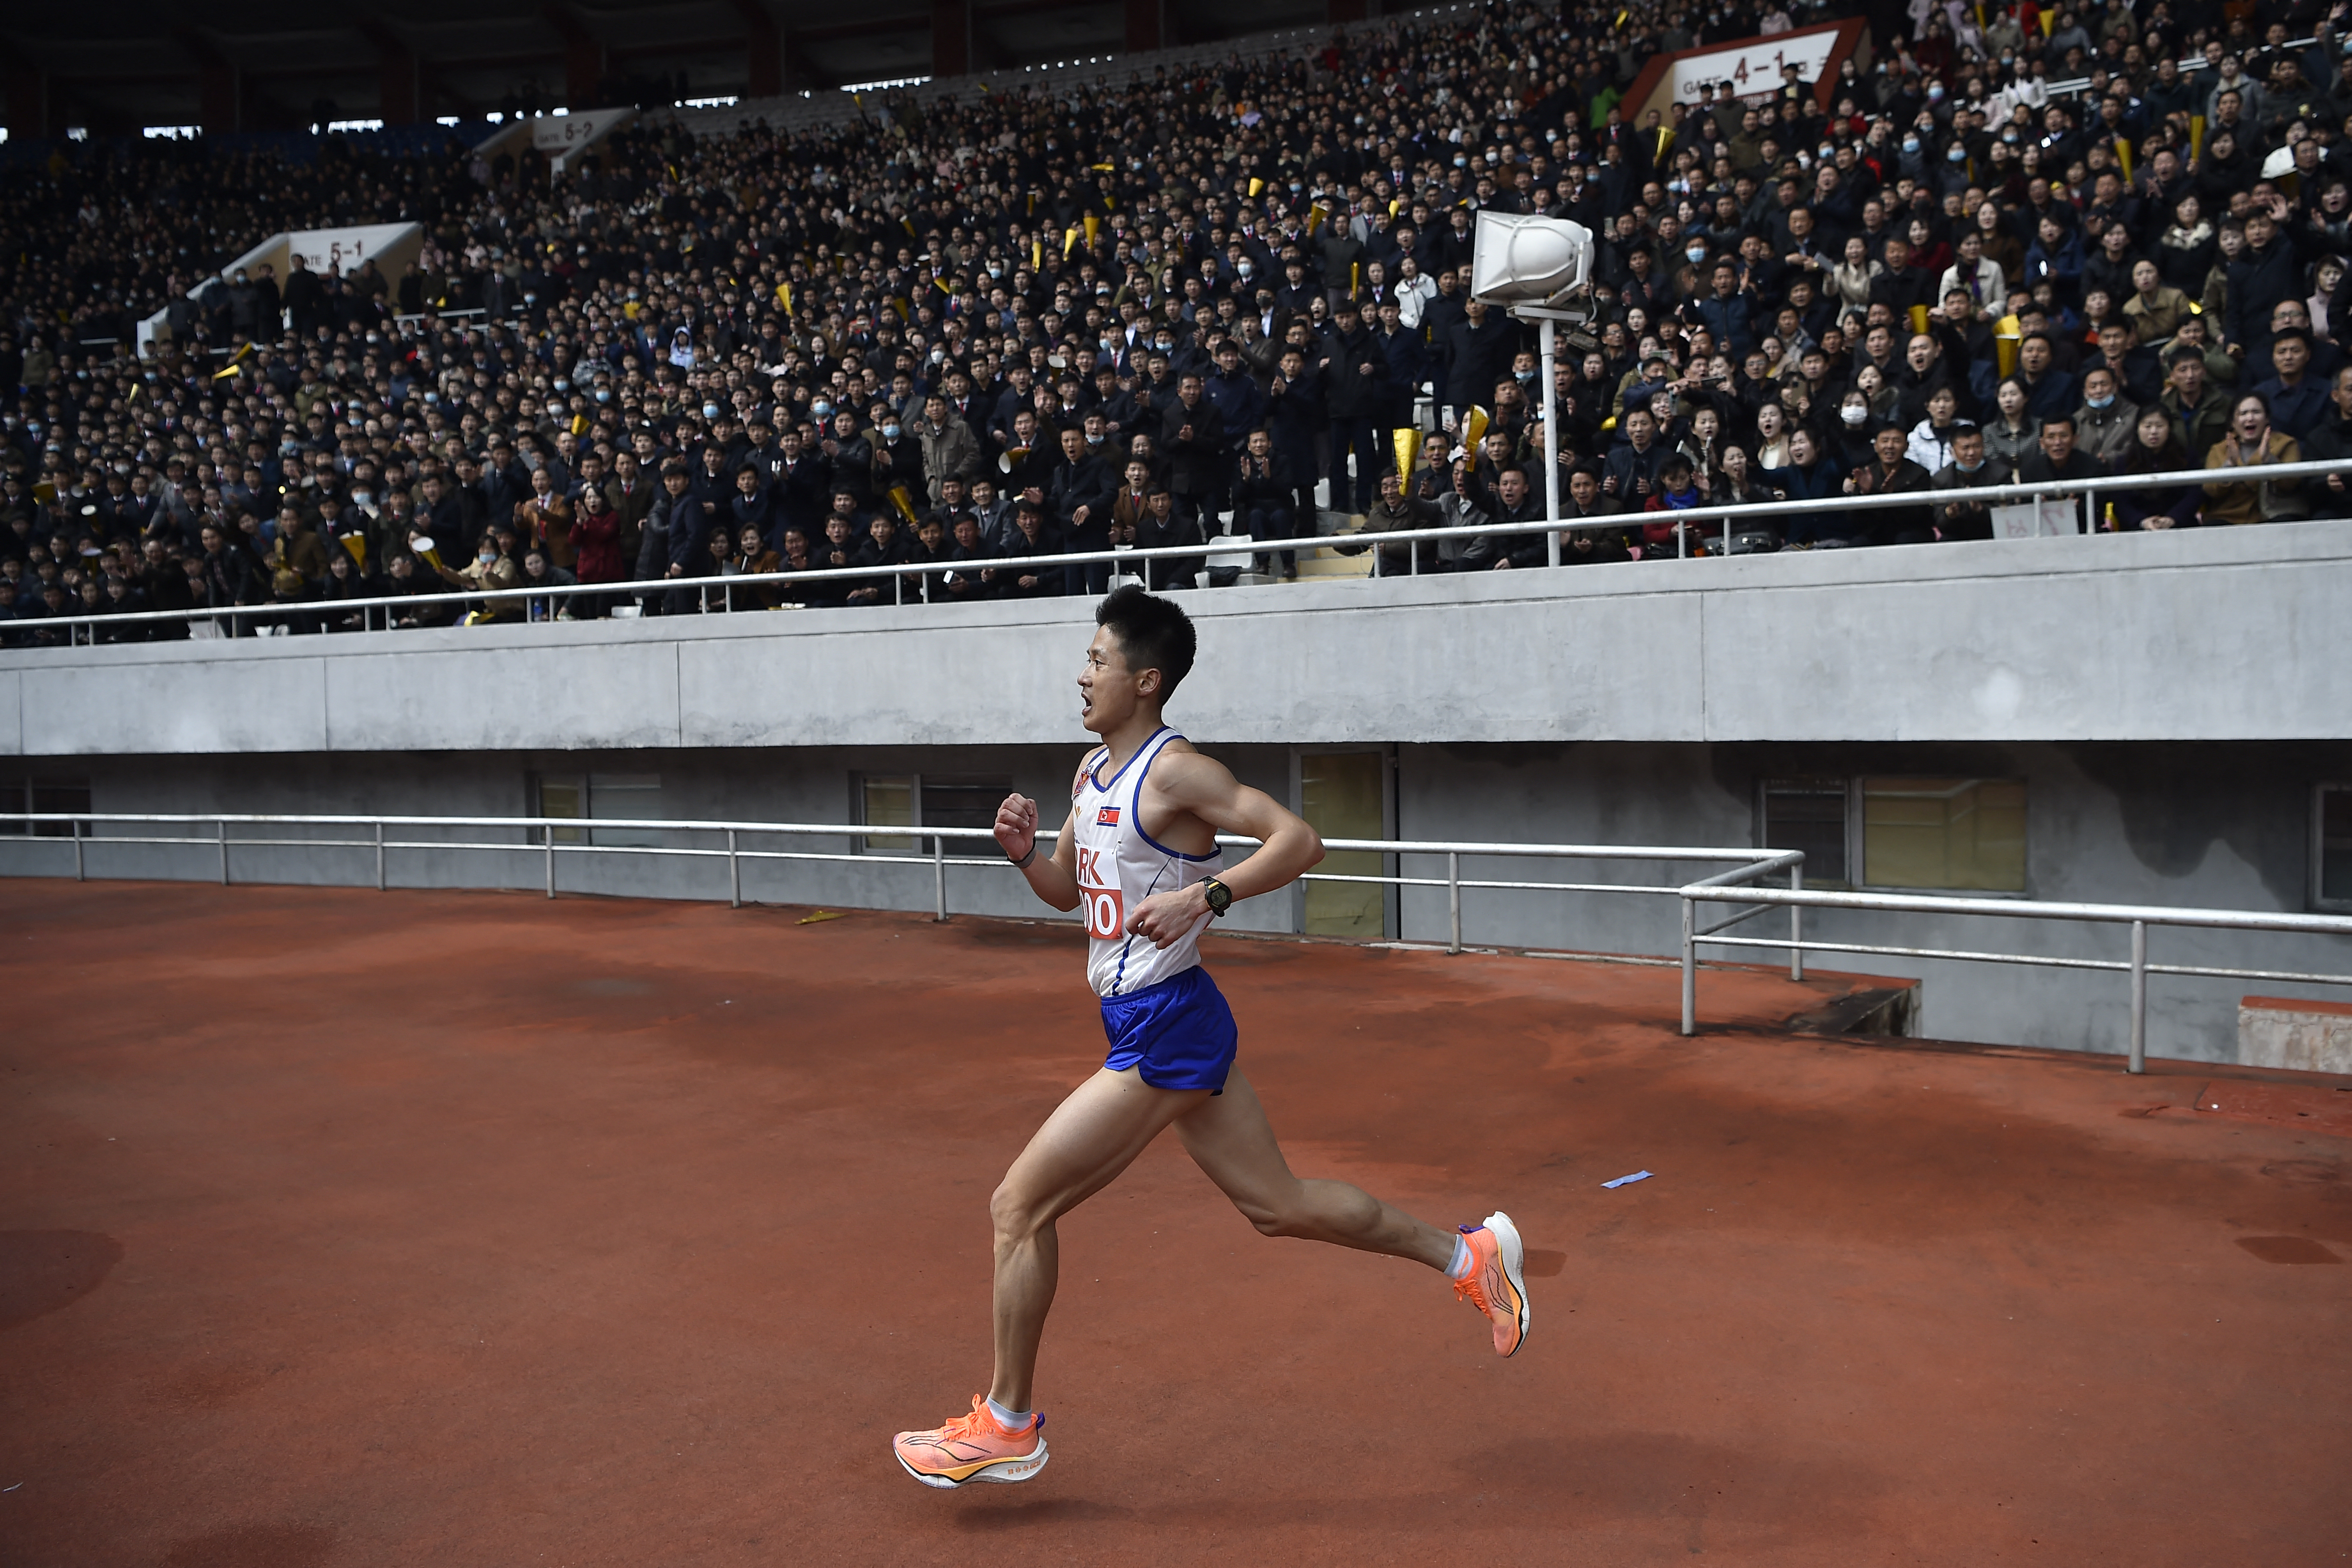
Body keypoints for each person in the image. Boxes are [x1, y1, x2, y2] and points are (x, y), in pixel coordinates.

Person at [891, 587, 1528, 1489]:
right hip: (1159, 1020)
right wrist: (1027, 854)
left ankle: (1006, 1424)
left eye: (1098, 661)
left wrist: (1206, 894)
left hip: (1166, 1028)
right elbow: (1069, 892)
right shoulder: (1090, 772)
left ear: (1145, 681)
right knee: (1278, 1205)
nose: (1082, 675)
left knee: (1017, 1207)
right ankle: (1469, 1255)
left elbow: (1298, 839)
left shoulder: (1177, 773)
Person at [2201, 392, 2306, 526]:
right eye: (2243, 413)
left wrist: (2269, 460)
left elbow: (2291, 483)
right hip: (2230, 516)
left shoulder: (2286, 443)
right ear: (2233, 423)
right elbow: (2211, 490)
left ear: (2267, 418)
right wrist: (2230, 464)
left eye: (2256, 412)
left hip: (2275, 513)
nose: (2250, 418)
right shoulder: (2219, 450)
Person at [2108, 408, 2201, 531]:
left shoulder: (2187, 457)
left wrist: (2173, 518)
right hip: (2137, 528)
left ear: (2170, 428)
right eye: (2148, 426)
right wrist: (2142, 521)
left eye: (2160, 426)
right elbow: (2120, 501)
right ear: (2137, 429)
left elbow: (2195, 494)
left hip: (2181, 525)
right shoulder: (2124, 461)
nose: (2154, 432)